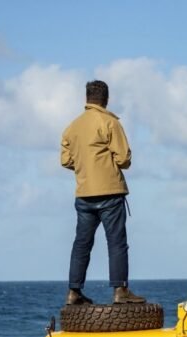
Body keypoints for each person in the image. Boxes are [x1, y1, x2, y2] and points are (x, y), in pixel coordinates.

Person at [61, 80, 145, 305]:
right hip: (110, 192)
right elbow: (124, 159)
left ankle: (73, 292)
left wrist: (86, 166)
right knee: (116, 243)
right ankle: (120, 291)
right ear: (106, 99)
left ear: (86, 98)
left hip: (84, 192)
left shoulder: (73, 126)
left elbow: (66, 160)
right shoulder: (110, 122)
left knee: (82, 244)